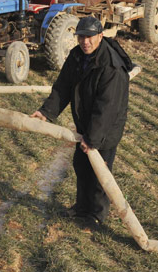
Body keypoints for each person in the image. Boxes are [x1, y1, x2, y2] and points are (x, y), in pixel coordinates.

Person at [31, 16, 132, 229]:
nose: (85, 42)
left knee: (99, 171)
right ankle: (82, 206)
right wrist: (46, 112)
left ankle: (96, 215)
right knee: (81, 164)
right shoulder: (77, 56)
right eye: (81, 37)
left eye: (90, 37)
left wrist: (93, 139)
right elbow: (63, 86)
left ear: (100, 36)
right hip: (87, 122)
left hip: (106, 127)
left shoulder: (111, 66)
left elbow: (107, 108)